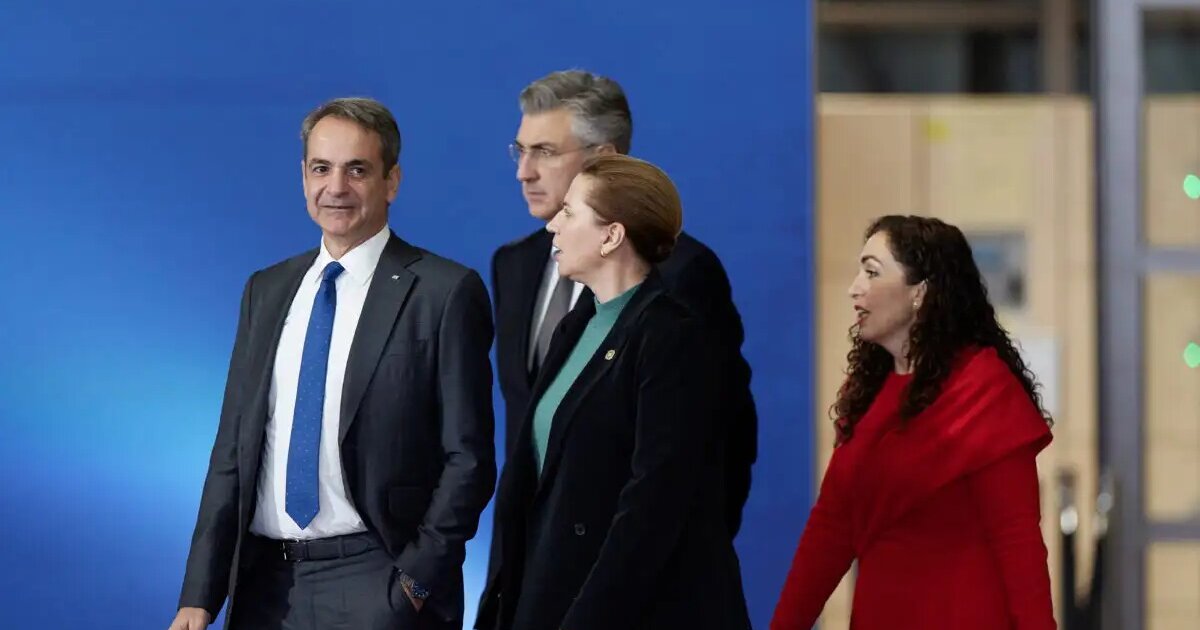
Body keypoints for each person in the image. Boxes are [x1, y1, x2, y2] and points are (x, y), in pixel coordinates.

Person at [169, 97, 496, 630]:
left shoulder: (443, 293)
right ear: (304, 177)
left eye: (357, 170)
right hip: (263, 588)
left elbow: (469, 459)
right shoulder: (266, 290)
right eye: (321, 168)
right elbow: (232, 451)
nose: (336, 187)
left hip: (377, 578)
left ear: (392, 181)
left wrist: (414, 583)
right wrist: (199, 595)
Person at [476, 155, 751, 630]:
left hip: (626, 611)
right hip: (548, 591)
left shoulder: (671, 337)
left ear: (612, 235)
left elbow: (653, 504)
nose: (552, 226)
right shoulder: (574, 327)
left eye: (569, 213)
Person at [490, 69, 756, 537]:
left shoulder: (682, 274)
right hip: (530, 552)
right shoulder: (513, 265)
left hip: (627, 553)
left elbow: (722, 437)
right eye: (521, 150)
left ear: (604, 159)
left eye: (545, 152)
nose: (523, 171)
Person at [770, 215, 1056, 629]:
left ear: (919, 292)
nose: (854, 288)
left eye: (872, 272)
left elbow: (1017, 541)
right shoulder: (867, 392)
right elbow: (831, 526)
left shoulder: (984, 390)